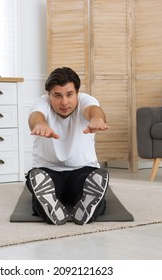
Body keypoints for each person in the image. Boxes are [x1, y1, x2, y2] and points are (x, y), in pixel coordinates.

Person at [25, 67, 110, 226]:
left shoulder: (86, 100)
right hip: (48, 171)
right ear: (49, 95)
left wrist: (97, 120)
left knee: (88, 187)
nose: (64, 102)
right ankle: (48, 204)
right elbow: (36, 117)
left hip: (83, 169)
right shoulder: (41, 103)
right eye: (57, 95)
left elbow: (94, 110)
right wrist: (40, 124)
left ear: (77, 93)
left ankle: (87, 206)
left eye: (69, 95)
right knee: (38, 186)